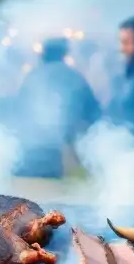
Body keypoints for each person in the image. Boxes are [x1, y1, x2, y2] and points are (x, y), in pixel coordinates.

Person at [11, 37, 101, 178]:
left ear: (44, 54)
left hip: (26, 153)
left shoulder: (32, 76)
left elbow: (16, 111)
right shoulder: (74, 77)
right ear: (64, 54)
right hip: (56, 155)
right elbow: (93, 114)